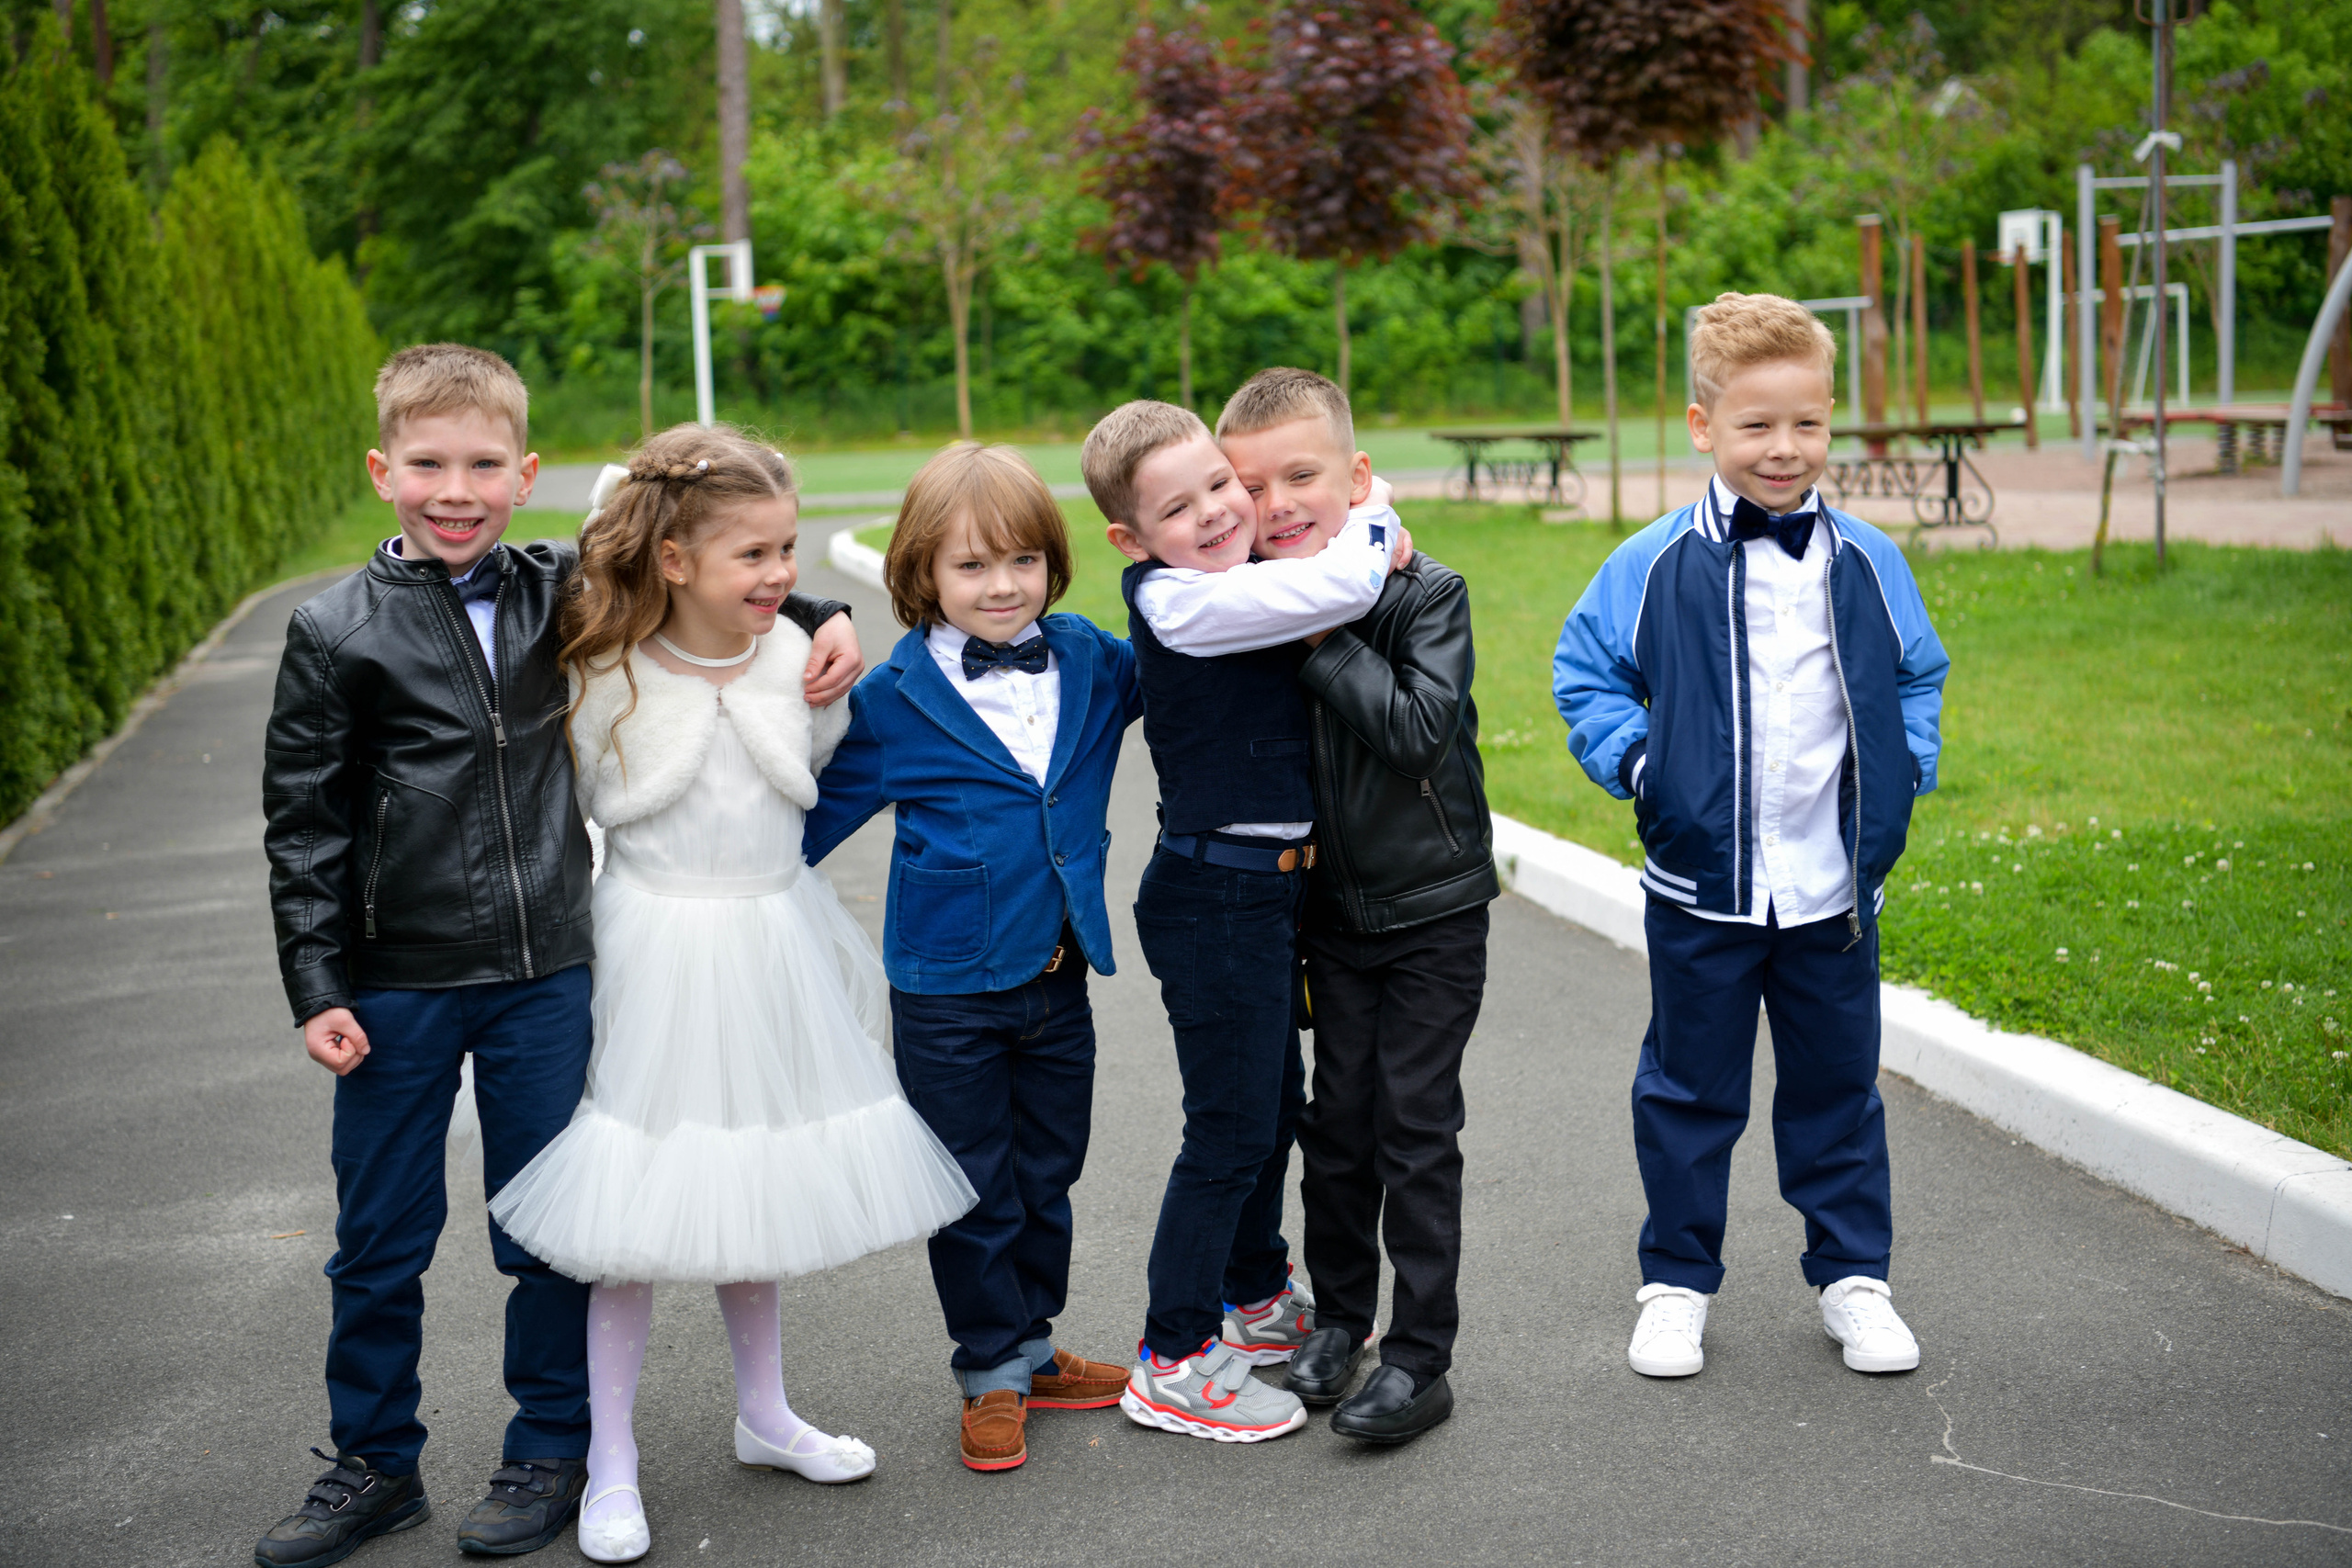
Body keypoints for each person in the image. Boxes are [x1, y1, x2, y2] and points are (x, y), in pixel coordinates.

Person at [257, 350, 862, 1568]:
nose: (457, 487)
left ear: (528, 472)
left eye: (486, 463)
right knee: (380, 1232)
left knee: (555, 1233)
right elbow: (305, 822)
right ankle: (372, 1460)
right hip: (395, 980)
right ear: (384, 470)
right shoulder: (334, 630)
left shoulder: (559, 592)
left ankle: (551, 1446)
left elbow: (703, 566)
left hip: (548, 974)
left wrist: (812, 610)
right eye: (428, 463)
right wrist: (318, 983)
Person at [481, 425, 977, 1563]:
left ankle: (766, 1415)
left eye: (789, 550)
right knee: (633, 1216)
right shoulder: (600, 666)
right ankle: (610, 1459)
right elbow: (592, 546)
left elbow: (798, 649)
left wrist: (812, 616)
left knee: (749, 1183)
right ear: (671, 559)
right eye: (752, 554)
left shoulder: (798, 660)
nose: (781, 574)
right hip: (651, 947)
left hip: (771, 943)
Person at [1552, 292, 1950, 1382]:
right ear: (1701, 426)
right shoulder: (1648, 563)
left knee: (1835, 1091)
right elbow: (1584, 675)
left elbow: (1919, 671)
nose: (1785, 449)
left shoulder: (1868, 560)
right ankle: (1676, 1285)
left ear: (1831, 422)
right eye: (1756, 426)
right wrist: (1643, 768)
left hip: (1832, 896)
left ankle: (1853, 1279)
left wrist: (1908, 770)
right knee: (1688, 1093)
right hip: (1699, 891)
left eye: (1809, 424)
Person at [802, 442, 1146, 1473]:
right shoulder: (896, 698)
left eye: (1021, 562)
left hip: (1059, 977)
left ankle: (1035, 1346)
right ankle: (989, 1366)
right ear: (919, 576)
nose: (1001, 586)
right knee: (968, 1185)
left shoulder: (1091, 660)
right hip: (945, 990)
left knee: (1049, 1172)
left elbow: (1196, 658)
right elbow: (808, 825)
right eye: (971, 566)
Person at [1081, 399, 1406, 1446]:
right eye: (1179, 508)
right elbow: (1351, 579)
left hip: (1263, 890)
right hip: (1214, 894)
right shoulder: (1180, 603)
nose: (1221, 512)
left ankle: (1255, 1297)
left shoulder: (1239, 586)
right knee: (1226, 1131)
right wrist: (1375, 504)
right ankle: (1171, 1356)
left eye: (1222, 484)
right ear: (1131, 542)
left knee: (1269, 1109)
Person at [1216, 367, 1498, 1446]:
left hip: (1430, 904)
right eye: (1254, 487)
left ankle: (1421, 1359)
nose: (1280, 502)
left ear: (1358, 477)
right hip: (1324, 915)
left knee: (1414, 1126)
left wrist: (1318, 634)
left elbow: (1420, 730)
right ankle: (1341, 1322)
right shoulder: (1244, 597)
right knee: (1337, 1130)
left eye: (1303, 474)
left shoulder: (1424, 591)